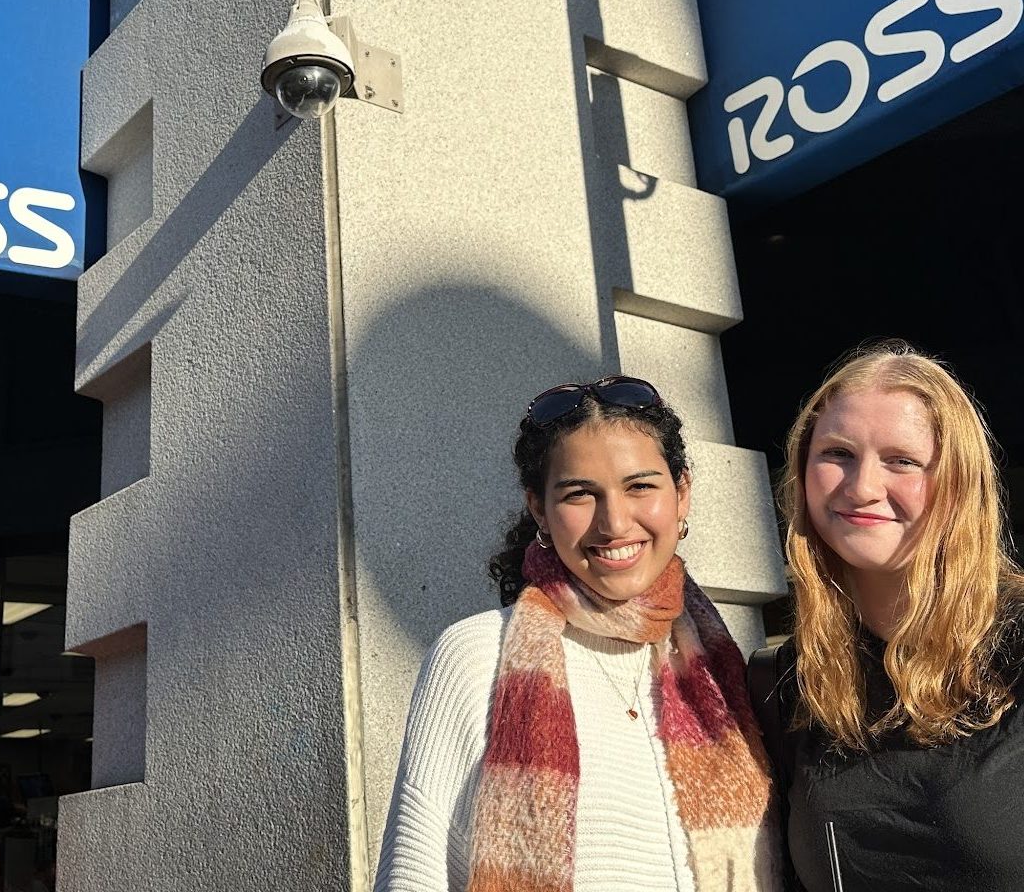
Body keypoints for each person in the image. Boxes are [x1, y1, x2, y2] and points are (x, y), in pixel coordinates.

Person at [374, 376, 780, 892]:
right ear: (540, 509)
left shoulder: (723, 676)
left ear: (681, 494)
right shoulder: (476, 657)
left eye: (640, 486)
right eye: (580, 494)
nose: (613, 522)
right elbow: (413, 873)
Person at [756, 341, 1024, 891]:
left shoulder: (1017, 643)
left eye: (902, 461)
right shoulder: (783, 682)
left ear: (957, 483)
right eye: (837, 454)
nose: (862, 488)